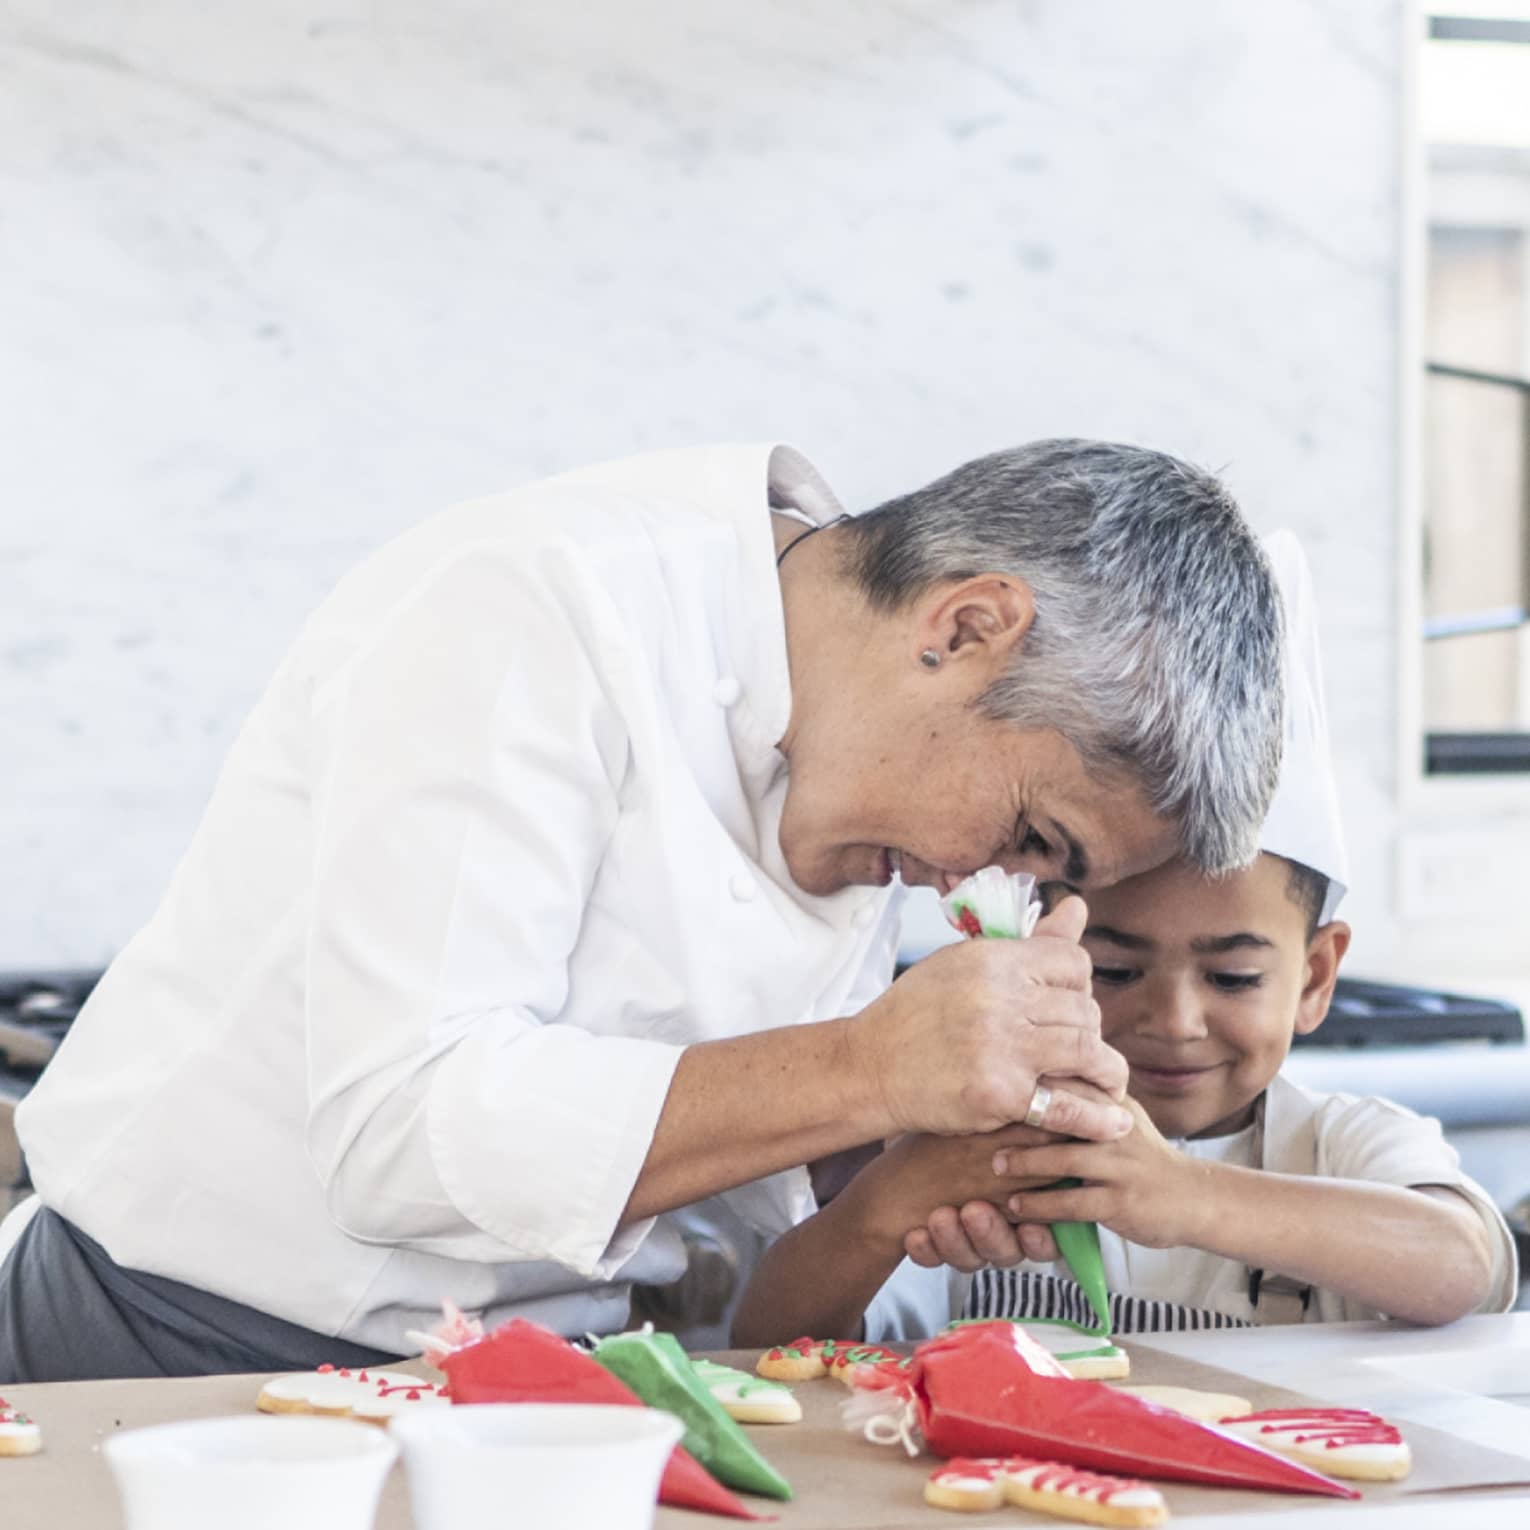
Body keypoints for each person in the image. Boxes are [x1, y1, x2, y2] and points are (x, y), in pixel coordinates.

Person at [0, 440, 1286, 1381]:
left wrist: (898, 1157)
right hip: (167, 1353)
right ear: (966, 627)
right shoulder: (533, 606)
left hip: (544, 1385)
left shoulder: (853, 749)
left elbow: (729, 1198)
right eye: (1027, 837)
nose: (978, 882)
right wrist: (868, 1063)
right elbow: (401, 1131)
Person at [731, 533, 1519, 1345]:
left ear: (1316, 978)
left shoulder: (1340, 1144)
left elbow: (1465, 1263)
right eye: (1112, 968)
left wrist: (1183, 1195)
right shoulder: (977, 1147)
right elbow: (763, 1340)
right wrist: (884, 1204)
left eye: (1235, 978)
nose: (1175, 1020)